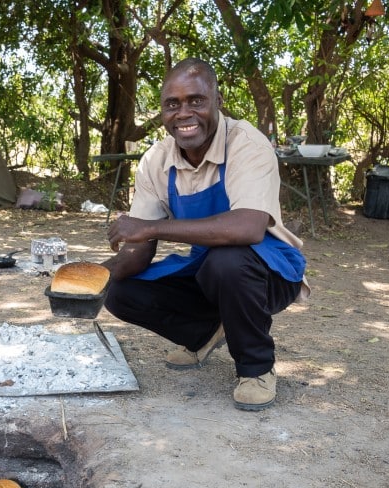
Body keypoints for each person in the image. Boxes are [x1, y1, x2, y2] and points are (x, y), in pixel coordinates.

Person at [103, 57, 310, 411]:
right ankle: (204, 332)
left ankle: (256, 367)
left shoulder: (247, 144)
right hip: (206, 273)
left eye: (195, 100)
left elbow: (247, 227)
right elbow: (138, 252)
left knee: (226, 261)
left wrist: (152, 226)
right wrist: (86, 279)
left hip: (268, 272)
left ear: (218, 100)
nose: (183, 113)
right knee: (118, 291)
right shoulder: (156, 160)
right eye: (172, 104)